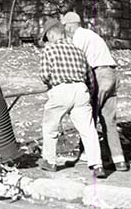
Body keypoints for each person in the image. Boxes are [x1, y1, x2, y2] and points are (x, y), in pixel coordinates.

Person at [36, 22, 107, 177]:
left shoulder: (49, 51)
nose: (47, 41)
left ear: (52, 35)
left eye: (47, 38)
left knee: (50, 127)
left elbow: (44, 75)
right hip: (81, 90)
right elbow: (90, 78)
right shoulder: (78, 51)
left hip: (61, 90)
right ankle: (97, 165)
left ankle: (49, 161)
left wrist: (51, 82)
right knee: (88, 129)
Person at [62, 11, 129, 172]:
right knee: (108, 120)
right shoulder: (92, 35)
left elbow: (75, 60)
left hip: (99, 74)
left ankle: (87, 155)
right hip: (112, 74)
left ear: (70, 25)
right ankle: (119, 160)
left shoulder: (79, 37)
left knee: (87, 116)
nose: (65, 30)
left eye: (65, 27)